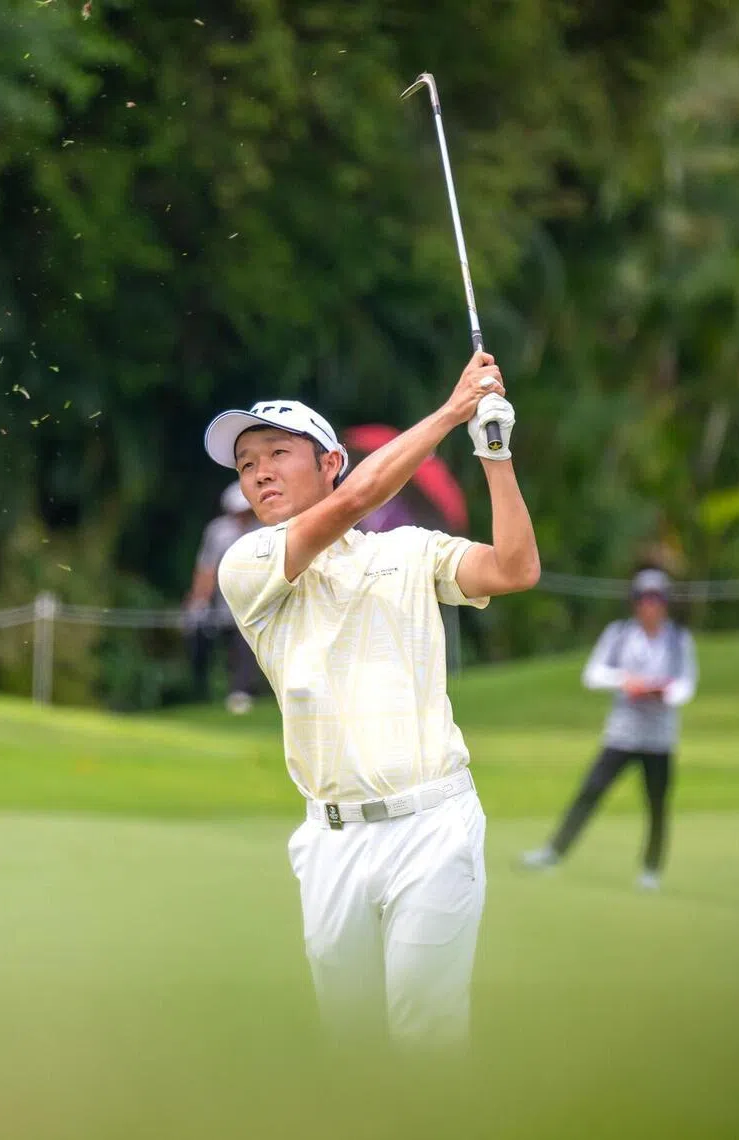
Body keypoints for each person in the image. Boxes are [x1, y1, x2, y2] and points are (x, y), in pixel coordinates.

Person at [205, 352, 540, 1046]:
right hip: (331, 840)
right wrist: (451, 411)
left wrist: (494, 453)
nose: (259, 472)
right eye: (246, 465)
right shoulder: (248, 564)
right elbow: (357, 502)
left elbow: (516, 568)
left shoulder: (412, 552)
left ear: (331, 462)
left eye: (276, 453)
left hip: (433, 825)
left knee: (425, 1033)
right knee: (353, 1049)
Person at [520, 568, 698, 890]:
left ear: (666, 603)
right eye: (644, 598)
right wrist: (625, 681)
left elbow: (686, 686)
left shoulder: (678, 640)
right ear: (635, 602)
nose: (650, 605)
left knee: (657, 804)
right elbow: (592, 674)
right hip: (623, 734)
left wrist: (661, 691)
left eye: (657, 599)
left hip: (659, 739)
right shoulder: (619, 634)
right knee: (590, 791)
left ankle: (651, 870)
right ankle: (553, 852)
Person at [184, 482, 263, 714]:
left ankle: (240, 691)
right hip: (222, 603)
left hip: (254, 602)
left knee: (245, 646)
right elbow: (206, 569)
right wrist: (198, 601)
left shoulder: (262, 529)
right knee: (207, 645)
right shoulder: (218, 531)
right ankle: (201, 691)